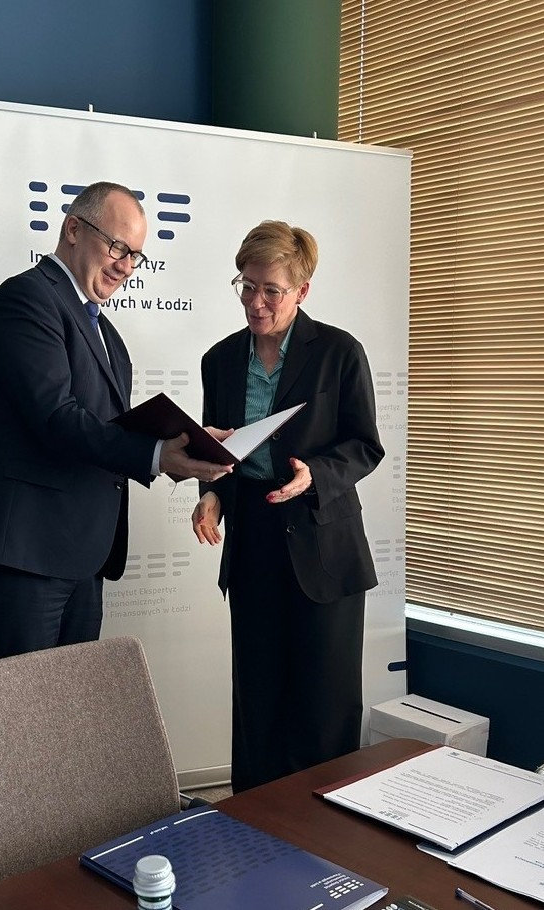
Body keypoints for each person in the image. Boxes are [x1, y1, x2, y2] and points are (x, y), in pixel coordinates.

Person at [0, 181, 231, 662]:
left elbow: (107, 427)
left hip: (84, 558)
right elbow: (56, 418)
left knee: (73, 708)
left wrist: (184, 441)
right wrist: (156, 455)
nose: (126, 266)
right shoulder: (26, 299)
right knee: (18, 707)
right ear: (73, 229)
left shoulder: (108, 335)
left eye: (136, 255)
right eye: (118, 246)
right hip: (24, 556)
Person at [192, 220, 384, 793]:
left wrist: (313, 474)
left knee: (324, 703)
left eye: (271, 291)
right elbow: (217, 450)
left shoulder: (340, 353)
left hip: (323, 542)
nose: (255, 303)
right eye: (247, 286)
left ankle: (324, 831)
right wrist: (211, 496)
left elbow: (364, 446)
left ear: (302, 290)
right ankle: (253, 822)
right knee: (258, 699)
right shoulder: (219, 360)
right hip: (253, 539)